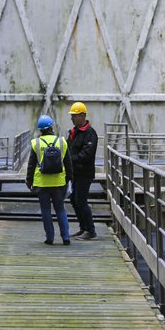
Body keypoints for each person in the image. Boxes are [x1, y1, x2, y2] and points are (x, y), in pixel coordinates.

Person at [26, 115, 73, 245]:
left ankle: (50, 238)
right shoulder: (62, 141)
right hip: (59, 182)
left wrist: (29, 181)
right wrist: (69, 179)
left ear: (40, 130)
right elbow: (68, 163)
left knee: (46, 210)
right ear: (52, 126)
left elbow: (31, 165)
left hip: (41, 183)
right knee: (60, 209)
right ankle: (66, 237)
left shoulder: (36, 143)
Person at [67, 102, 98, 240]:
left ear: (82, 115)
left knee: (81, 200)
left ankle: (90, 231)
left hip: (84, 173)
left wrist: (70, 160)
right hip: (75, 173)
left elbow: (87, 154)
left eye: (74, 115)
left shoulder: (90, 134)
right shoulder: (74, 133)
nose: (72, 118)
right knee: (74, 200)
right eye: (72, 116)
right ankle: (83, 228)